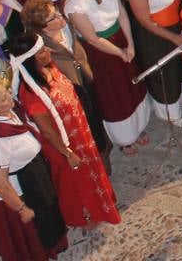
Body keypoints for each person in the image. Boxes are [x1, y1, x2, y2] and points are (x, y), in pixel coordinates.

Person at [7, 33, 119, 227]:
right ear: (31, 58)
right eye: (42, 50)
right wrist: (67, 153)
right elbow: (48, 131)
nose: (49, 51)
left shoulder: (49, 67)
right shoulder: (32, 93)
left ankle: (101, 204)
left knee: (90, 171)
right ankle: (85, 216)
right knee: (76, 183)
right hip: (63, 146)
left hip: (80, 135)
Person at [0, 78, 67, 261]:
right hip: (15, 190)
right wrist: (21, 208)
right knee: (27, 231)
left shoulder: (2, 114)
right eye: (3, 97)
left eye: (6, 91)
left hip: (28, 173)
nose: (9, 96)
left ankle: (50, 243)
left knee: (45, 216)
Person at [61, 0, 151, 153]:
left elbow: (121, 11)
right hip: (101, 52)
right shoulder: (75, 4)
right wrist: (120, 52)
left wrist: (130, 43)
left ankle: (138, 125)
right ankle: (124, 137)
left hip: (120, 38)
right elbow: (92, 38)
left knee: (132, 84)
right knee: (114, 92)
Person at [19, 0, 108, 160]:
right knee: (88, 129)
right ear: (43, 27)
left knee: (97, 116)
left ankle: (104, 148)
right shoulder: (42, 49)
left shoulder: (67, 28)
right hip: (71, 91)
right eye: (54, 17)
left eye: (57, 11)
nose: (61, 16)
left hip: (85, 79)